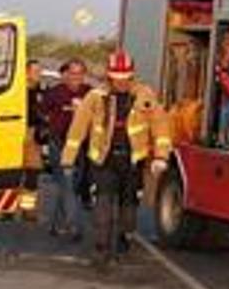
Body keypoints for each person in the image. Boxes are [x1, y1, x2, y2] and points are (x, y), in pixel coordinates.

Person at [62, 50, 171, 267]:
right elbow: (78, 128)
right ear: (109, 77)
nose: (121, 83)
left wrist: (161, 156)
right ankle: (101, 249)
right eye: (116, 79)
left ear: (132, 76)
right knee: (102, 206)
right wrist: (68, 158)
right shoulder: (95, 97)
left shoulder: (146, 96)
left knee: (129, 208)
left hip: (132, 161)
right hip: (103, 160)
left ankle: (124, 237)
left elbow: (161, 126)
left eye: (125, 79)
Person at [40, 59, 91, 240]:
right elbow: (43, 113)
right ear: (66, 74)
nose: (76, 78)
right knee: (67, 183)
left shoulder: (90, 93)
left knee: (70, 187)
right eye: (73, 74)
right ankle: (73, 226)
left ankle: (55, 224)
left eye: (80, 74)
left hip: (81, 147)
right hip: (59, 145)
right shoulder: (54, 93)